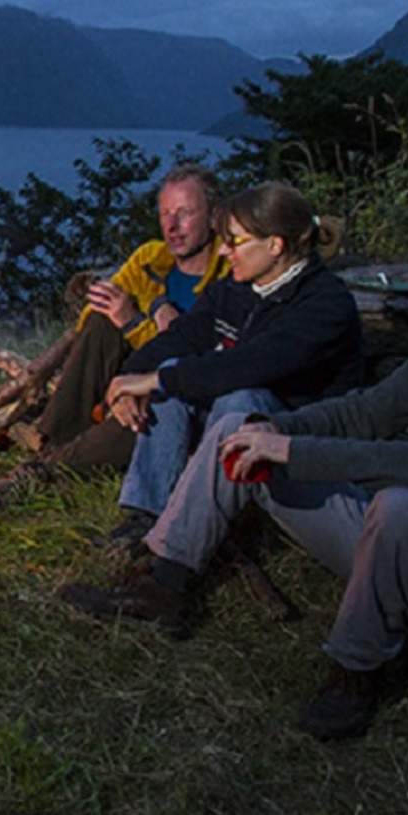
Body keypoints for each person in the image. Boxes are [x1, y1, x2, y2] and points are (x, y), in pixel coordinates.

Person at [61, 215, 408, 741]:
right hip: (384, 538)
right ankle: (165, 584)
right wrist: (275, 429)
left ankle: (356, 670)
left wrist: (295, 451)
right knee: (239, 425)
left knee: (406, 505)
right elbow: (363, 412)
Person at [96, 182, 364, 547]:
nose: (223, 251)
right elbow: (183, 336)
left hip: (299, 432)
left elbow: (249, 365)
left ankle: (196, 527)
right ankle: (147, 515)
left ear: (275, 245)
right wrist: (129, 378)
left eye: (234, 241)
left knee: (237, 396)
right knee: (171, 376)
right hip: (233, 420)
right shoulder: (237, 289)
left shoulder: (323, 303)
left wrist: (157, 379)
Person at [0, 163, 227, 511]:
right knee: (102, 321)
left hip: (178, 390)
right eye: (165, 214)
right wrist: (152, 309)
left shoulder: (227, 276)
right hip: (132, 372)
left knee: (153, 399)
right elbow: (93, 314)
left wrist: (134, 323)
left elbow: (192, 358)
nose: (172, 226)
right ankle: (54, 443)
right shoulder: (151, 259)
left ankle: (44, 474)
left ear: (214, 216)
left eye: (185, 213)